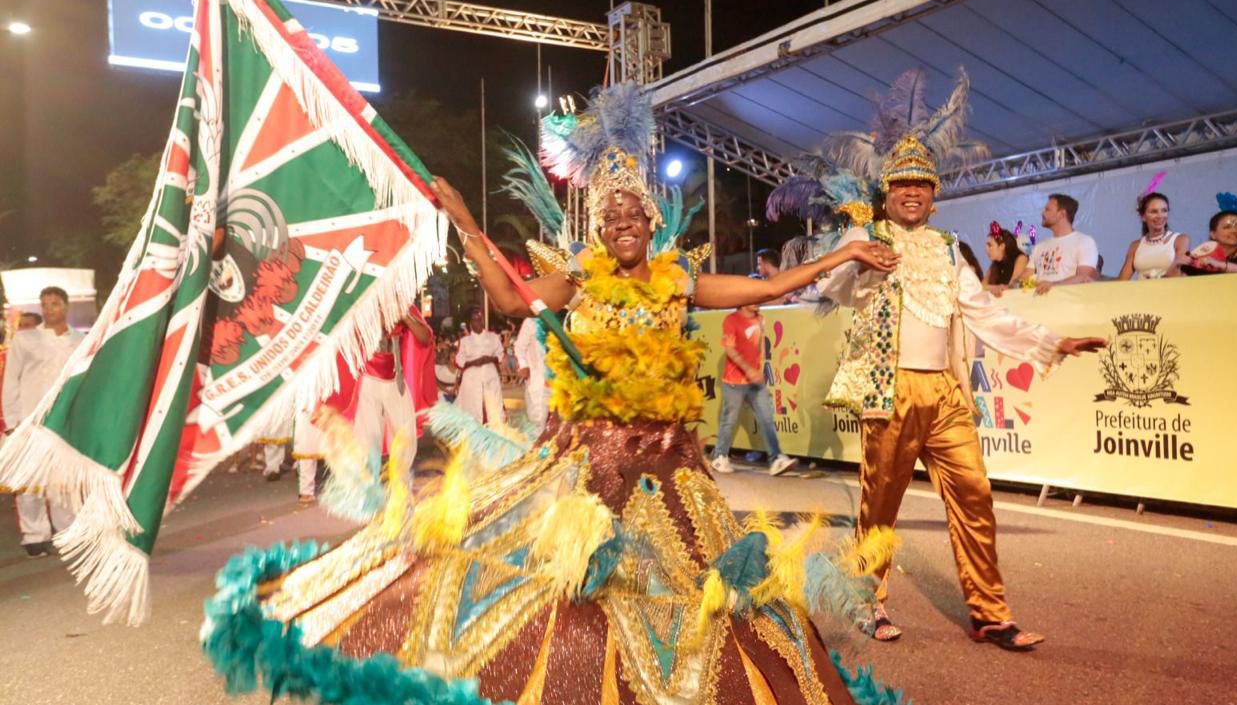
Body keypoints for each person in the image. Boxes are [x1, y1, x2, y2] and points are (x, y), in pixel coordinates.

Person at [203, 84, 906, 705]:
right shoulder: (579, 281)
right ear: (598, 227)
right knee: (568, 595)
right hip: (584, 462)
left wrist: (841, 252)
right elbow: (510, 296)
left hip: (672, 474)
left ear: (654, 221)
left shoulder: (680, 280)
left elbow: (765, 287)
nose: (623, 224)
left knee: (702, 604)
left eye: (635, 214)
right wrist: (464, 222)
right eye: (611, 217)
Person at [821, 129, 1105, 651]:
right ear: (887, 192)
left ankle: (990, 614)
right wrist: (858, 257)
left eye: (922, 185)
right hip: (891, 390)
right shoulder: (866, 237)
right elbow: (831, 289)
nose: (913, 193)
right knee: (879, 505)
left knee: (975, 497)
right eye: (903, 184)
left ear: (934, 194)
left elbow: (985, 315)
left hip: (946, 393)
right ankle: (864, 598)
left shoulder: (949, 249)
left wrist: (1053, 344)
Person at [2, 287, 82, 558]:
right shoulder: (26, 340)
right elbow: (11, 379)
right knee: (30, 483)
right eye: (45, 304)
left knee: (63, 481)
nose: (49, 309)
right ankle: (34, 536)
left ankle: (67, 530)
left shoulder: (81, 341)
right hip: (30, 420)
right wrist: (13, 421)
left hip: (66, 420)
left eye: (55, 304)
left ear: (66, 306)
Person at [710, 302, 798, 476]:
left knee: (766, 418)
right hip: (734, 381)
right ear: (743, 302)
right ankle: (720, 457)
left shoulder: (760, 319)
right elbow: (730, 350)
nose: (758, 302)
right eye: (753, 298)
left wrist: (761, 366)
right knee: (730, 420)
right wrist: (748, 369)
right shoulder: (731, 320)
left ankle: (776, 459)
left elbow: (760, 345)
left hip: (755, 381)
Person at [1020, 193, 1099, 293]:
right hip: (1039, 305)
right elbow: (1024, 278)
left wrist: (1052, 285)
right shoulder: (1040, 246)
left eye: (1047, 209)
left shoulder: (1084, 241)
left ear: (1061, 214)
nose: (1042, 213)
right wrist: (1006, 286)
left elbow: (1083, 277)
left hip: (1068, 304)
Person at [1181, 192, 1237, 275]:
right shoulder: (1200, 260)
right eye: (1227, 227)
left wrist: (1219, 265)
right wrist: (1179, 261)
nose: (1234, 231)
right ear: (1213, 234)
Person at [1118, 192, 1189, 280]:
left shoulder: (1180, 240)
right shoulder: (1135, 246)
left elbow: (1178, 273)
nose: (1160, 216)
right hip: (1141, 292)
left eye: (1164, 210)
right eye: (1154, 211)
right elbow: (1122, 280)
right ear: (1143, 217)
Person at [454, 305, 505, 424]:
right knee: (472, 408)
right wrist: (473, 362)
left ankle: (496, 434)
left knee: (495, 408)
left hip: (490, 375)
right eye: (475, 320)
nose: (478, 322)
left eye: (480, 319)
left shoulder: (493, 337)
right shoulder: (465, 341)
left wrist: (490, 359)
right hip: (472, 378)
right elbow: (459, 360)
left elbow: (501, 354)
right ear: (470, 322)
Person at [512, 316, 548, 433]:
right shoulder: (531, 322)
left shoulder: (561, 317)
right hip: (538, 381)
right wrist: (523, 365)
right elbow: (519, 348)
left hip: (560, 381)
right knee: (538, 419)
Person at [982, 222, 1028, 296]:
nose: (986, 249)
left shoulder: (1020, 258)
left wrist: (994, 288)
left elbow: (1014, 285)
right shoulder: (995, 264)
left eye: (990, 245)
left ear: (1002, 246)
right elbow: (982, 286)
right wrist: (995, 288)